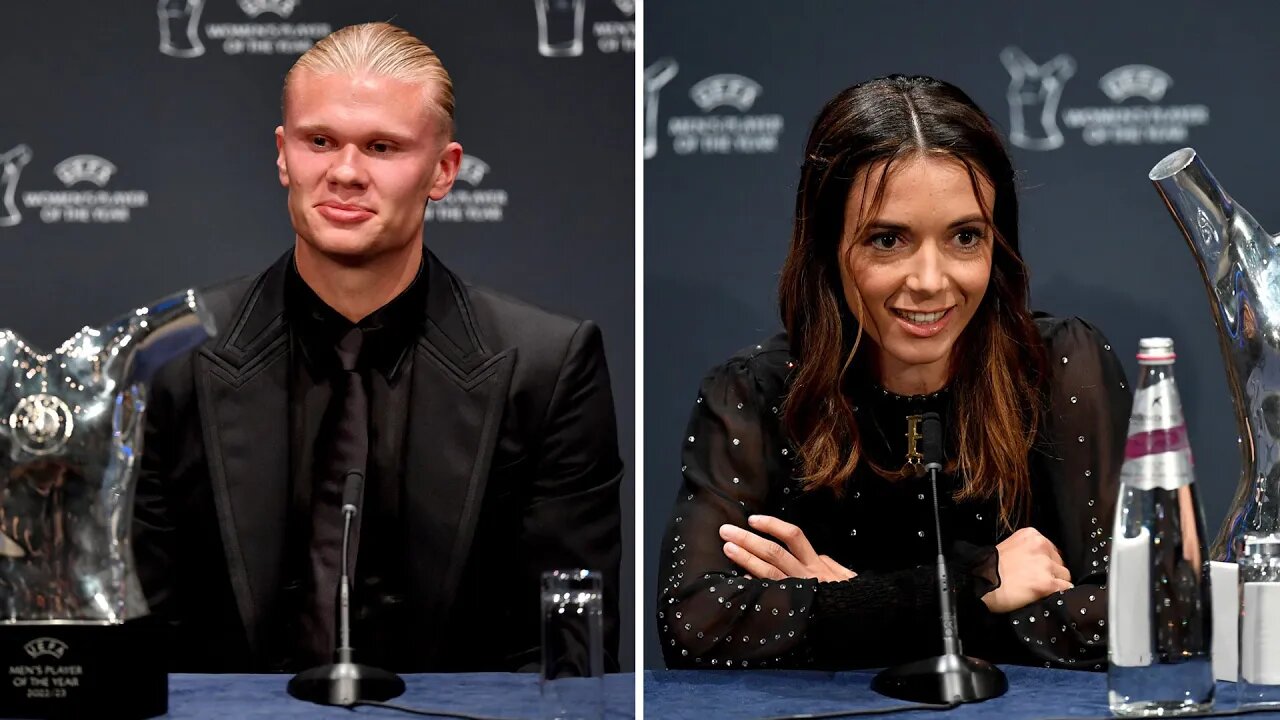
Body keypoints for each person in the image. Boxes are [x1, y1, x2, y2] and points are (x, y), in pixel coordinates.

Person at [133, 22, 623, 673]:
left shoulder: (546, 367)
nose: (345, 172)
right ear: (283, 154)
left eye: (382, 147)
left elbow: (569, 652)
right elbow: (139, 637)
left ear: (443, 170)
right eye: (320, 141)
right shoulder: (172, 359)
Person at [656, 74, 1131, 671]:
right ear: (829, 247)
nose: (931, 280)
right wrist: (971, 588)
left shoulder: (1062, 366)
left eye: (965, 236)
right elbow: (693, 626)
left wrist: (844, 607)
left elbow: (1142, 614)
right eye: (887, 240)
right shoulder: (755, 393)